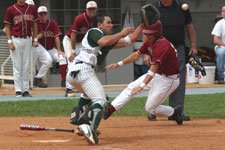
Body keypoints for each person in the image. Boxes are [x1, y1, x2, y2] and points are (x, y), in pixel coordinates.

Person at [66, 14, 144, 144]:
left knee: (88, 96)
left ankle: (81, 122)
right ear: (100, 25)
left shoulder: (108, 38)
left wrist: (142, 25)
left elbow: (130, 40)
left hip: (77, 73)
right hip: (83, 70)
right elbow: (104, 41)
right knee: (101, 101)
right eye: (108, 22)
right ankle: (90, 128)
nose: (111, 25)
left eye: (111, 22)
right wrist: (121, 33)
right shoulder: (94, 32)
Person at [103, 20, 183, 127]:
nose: (146, 35)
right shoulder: (151, 41)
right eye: (145, 33)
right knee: (131, 87)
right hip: (158, 74)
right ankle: (110, 109)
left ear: (157, 33)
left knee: (150, 108)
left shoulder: (162, 45)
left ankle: (174, 112)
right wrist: (119, 64)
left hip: (169, 80)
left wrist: (142, 86)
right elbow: (137, 54)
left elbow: (153, 69)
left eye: (149, 34)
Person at [147, 0, 197, 121]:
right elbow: (147, 30)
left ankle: (177, 110)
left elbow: (189, 27)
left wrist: (193, 46)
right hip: (158, 47)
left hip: (177, 46)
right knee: (156, 77)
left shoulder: (182, 7)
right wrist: (146, 52)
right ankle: (153, 108)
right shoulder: (153, 8)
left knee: (179, 77)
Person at [63, 1, 98, 97]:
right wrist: (73, 52)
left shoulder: (96, 20)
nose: (91, 11)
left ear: (96, 9)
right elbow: (73, 35)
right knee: (72, 62)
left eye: (93, 9)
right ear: (86, 10)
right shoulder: (80, 18)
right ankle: (68, 89)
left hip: (82, 43)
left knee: (83, 64)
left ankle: (83, 87)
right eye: (89, 9)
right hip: (70, 40)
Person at [4, 0, 39, 97]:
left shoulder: (31, 8)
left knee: (26, 65)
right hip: (16, 39)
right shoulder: (11, 9)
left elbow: (35, 24)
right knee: (17, 66)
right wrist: (9, 41)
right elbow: (7, 26)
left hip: (27, 39)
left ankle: (26, 90)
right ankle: (18, 90)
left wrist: (35, 39)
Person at [35, 6, 67, 87]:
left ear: (47, 14)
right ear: (38, 15)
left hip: (51, 49)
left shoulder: (52, 23)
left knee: (62, 58)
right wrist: (40, 35)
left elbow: (56, 37)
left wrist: (59, 50)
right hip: (39, 50)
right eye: (40, 14)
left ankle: (64, 81)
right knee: (43, 81)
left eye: (44, 14)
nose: (42, 15)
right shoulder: (35, 23)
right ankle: (38, 81)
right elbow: (33, 37)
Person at [211, 4, 225, 84]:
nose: (224, 12)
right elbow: (215, 40)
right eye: (223, 11)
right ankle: (221, 76)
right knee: (221, 53)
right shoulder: (220, 23)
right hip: (221, 47)